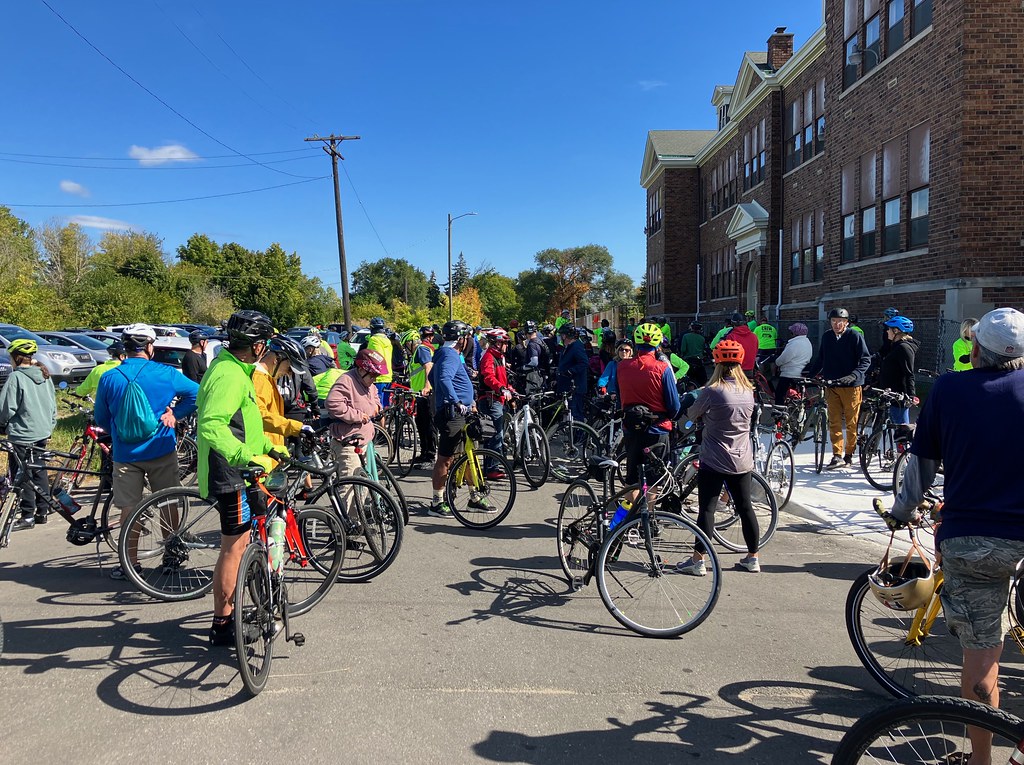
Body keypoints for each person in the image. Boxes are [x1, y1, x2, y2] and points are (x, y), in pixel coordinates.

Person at [886, 307, 1024, 764]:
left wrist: (901, 512)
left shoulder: (950, 389)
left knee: (981, 662)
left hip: (973, 538)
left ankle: (980, 759)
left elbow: (921, 468)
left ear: (975, 348)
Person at [197, 310, 280, 647]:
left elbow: (245, 424)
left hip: (238, 469)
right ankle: (222, 624)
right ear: (258, 346)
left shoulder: (235, 369)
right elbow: (213, 424)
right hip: (229, 473)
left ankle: (229, 614)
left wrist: (271, 450)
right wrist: (248, 456)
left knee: (240, 544)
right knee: (234, 548)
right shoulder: (230, 375)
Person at [95, 323, 199, 579]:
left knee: (129, 507)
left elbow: (101, 418)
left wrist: (120, 430)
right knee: (168, 501)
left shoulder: (109, 377)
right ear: (150, 347)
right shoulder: (165, 373)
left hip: (125, 454)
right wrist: (175, 415)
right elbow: (197, 394)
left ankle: (129, 563)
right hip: (161, 447)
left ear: (125, 349)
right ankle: (172, 556)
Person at [677, 338, 761, 575]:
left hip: (714, 458)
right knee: (745, 508)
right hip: (742, 458)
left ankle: (698, 561)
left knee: (707, 510)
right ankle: (752, 557)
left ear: (717, 363)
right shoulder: (748, 391)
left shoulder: (712, 392)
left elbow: (691, 416)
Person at [427, 320, 483, 518]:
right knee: (446, 458)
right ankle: (437, 502)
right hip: (454, 413)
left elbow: (433, 376)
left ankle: (474, 498)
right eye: (468, 338)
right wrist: (455, 400)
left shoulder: (446, 354)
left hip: (460, 411)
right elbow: (442, 378)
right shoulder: (450, 355)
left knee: (467, 455)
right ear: (461, 339)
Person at [0, 339, 57, 530]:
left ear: (16, 357)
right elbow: (53, 405)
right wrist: (50, 425)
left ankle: (27, 515)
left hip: (22, 433)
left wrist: (1, 425)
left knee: (21, 474)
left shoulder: (16, 378)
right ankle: (42, 512)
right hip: (42, 431)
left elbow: (6, 408)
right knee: (39, 470)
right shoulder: (44, 374)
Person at [616, 322, 680, 492]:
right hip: (657, 430)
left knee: (632, 479)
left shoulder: (622, 366)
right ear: (657, 344)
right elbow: (674, 405)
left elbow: (620, 396)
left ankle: (627, 517)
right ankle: (648, 517)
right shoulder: (662, 368)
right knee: (653, 482)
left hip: (631, 427)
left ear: (636, 343)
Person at [807, 307, 872, 469]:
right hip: (832, 385)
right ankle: (837, 455)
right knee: (834, 422)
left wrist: (854, 375)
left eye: (840, 321)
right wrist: (810, 376)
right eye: (834, 321)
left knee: (851, 422)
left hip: (851, 386)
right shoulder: (827, 337)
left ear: (846, 322)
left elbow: (866, 360)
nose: (837, 324)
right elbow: (821, 358)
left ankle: (849, 454)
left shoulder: (854, 336)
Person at [326, 348, 386, 478]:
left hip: (364, 441)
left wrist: (376, 407)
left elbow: (375, 399)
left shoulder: (369, 384)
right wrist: (357, 416)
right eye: (372, 375)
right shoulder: (346, 380)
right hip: (348, 443)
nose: (374, 379)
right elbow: (332, 403)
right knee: (349, 488)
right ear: (362, 370)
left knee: (364, 487)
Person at [252, 334, 313, 453]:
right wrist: (296, 428)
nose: (288, 374)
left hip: (270, 450)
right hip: (262, 453)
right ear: (277, 359)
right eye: (289, 368)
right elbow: (260, 416)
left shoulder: (268, 378)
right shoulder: (259, 379)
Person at [477, 328, 514, 479]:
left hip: (498, 398)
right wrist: (501, 388)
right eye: (504, 342)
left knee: (495, 435)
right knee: (495, 435)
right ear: (497, 343)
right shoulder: (489, 357)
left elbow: (501, 378)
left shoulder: (499, 357)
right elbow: (488, 377)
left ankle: (490, 467)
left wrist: (509, 388)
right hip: (490, 399)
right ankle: (492, 469)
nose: (506, 345)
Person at [877, 316, 918, 424]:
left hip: (898, 396)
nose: (887, 331)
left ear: (896, 331)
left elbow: (909, 373)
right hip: (888, 393)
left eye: (889, 329)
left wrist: (911, 395)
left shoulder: (904, 348)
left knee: (901, 431)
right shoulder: (894, 346)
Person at [406, 327, 437, 467]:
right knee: (421, 425)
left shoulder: (421, 350)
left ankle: (430, 456)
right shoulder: (415, 354)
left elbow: (428, 366)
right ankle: (424, 453)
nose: (405, 349)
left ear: (412, 342)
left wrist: (427, 386)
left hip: (426, 394)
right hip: (418, 394)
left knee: (429, 425)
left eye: (406, 345)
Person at [772, 323, 813, 405]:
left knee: (780, 394)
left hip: (790, 373)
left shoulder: (794, 344)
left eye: (791, 332)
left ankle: (779, 413)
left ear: (795, 333)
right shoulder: (807, 342)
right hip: (801, 371)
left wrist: (776, 362)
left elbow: (784, 358)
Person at [555, 324, 588, 422]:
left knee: (576, 414)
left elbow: (584, 363)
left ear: (565, 336)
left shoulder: (576, 347)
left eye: (561, 335)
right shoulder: (567, 347)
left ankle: (580, 435)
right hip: (567, 386)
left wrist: (570, 371)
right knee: (570, 413)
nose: (560, 337)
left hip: (575, 386)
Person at [365, 317, 394, 406]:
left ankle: (378, 420)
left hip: (378, 377)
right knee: (385, 404)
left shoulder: (374, 340)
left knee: (376, 405)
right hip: (388, 375)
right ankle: (385, 420)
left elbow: (376, 357)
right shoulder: (387, 340)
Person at [724, 312, 758, 378]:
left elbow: (727, 354)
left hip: (735, 370)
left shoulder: (731, 336)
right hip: (750, 370)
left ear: (732, 323)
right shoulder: (754, 336)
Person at [680, 322, 708, 387]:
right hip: (699, 361)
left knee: (689, 381)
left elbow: (683, 349)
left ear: (692, 328)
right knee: (703, 381)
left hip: (688, 361)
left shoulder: (685, 336)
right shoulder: (702, 338)